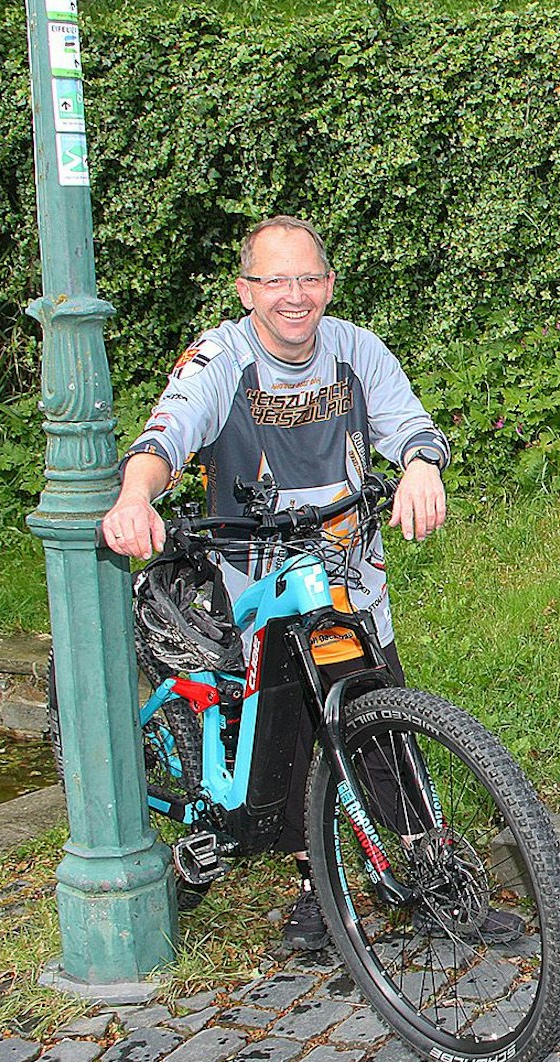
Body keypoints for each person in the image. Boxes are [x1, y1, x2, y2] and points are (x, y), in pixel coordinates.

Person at [102, 215, 470, 951]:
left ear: (328, 285)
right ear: (246, 291)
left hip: (350, 581)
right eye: (274, 280)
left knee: (382, 720)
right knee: (289, 737)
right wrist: (136, 494)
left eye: (307, 278)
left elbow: (409, 424)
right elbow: (165, 435)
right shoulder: (220, 358)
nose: (293, 296)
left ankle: (432, 870)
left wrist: (421, 468)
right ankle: (316, 887)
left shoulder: (356, 348)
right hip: (259, 584)